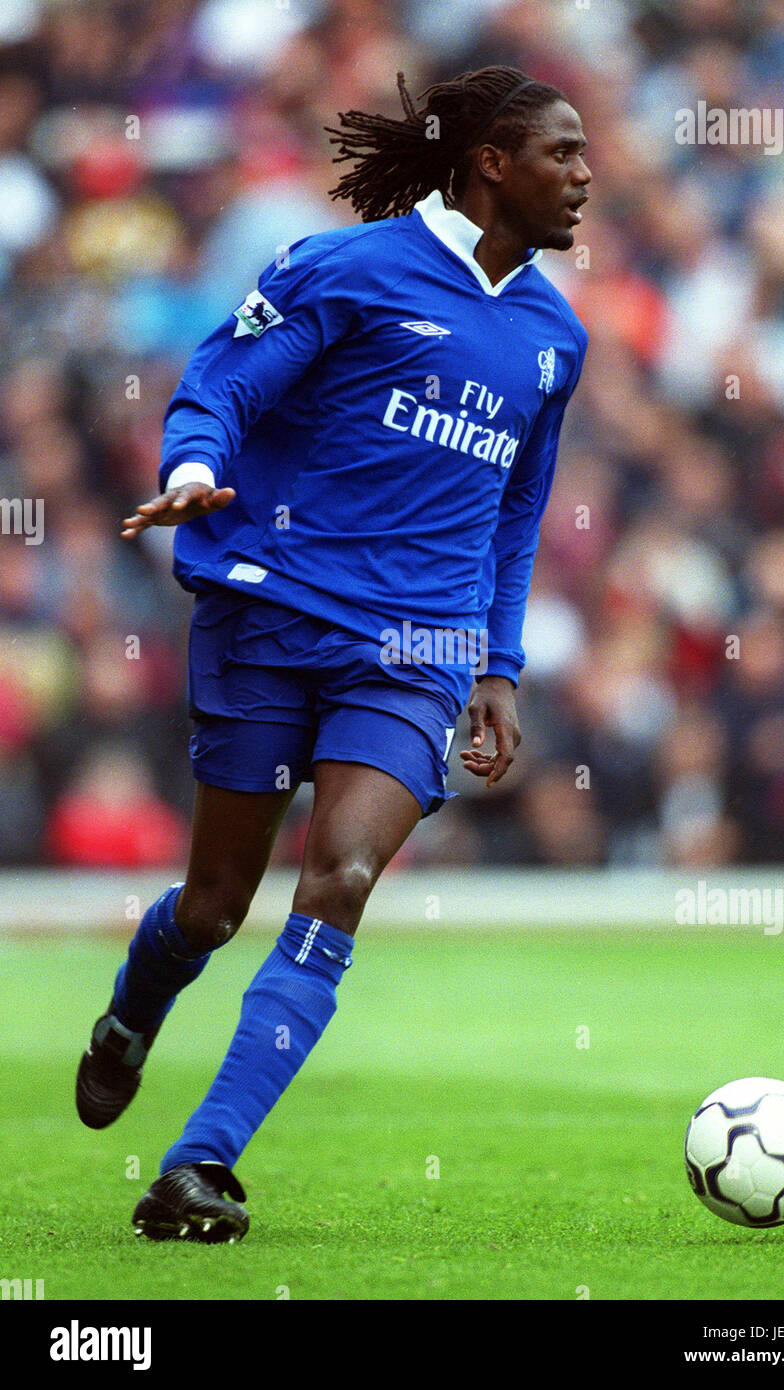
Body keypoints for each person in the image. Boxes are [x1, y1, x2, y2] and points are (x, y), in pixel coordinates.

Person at [76, 65, 591, 1243]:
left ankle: (199, 1163)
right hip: (270, 617)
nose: (583, 177)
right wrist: (193, 470)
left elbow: (515, 516)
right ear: (490, 164)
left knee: (341, 881)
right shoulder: (346, 270)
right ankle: (131, 1012)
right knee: (213, 906)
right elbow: (222, 384)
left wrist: (496, 663)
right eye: (560, 155)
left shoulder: (553, 337)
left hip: (414, 649)